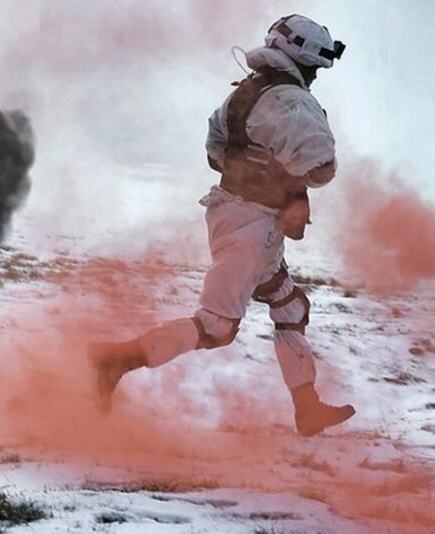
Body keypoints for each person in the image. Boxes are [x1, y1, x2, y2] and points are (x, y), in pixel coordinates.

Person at [88, 14, 354, 437]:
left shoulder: (245, 92)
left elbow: (216, 152)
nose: (314, 76)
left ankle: (307, 409)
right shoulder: (293, 101)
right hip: (254, 225)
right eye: (314, 68)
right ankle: (117, 360)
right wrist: (284, 181)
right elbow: (321, 168)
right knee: (216, 327)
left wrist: (261, 170)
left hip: (236, 214)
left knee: (290, 307)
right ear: (302, 58)